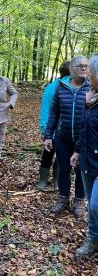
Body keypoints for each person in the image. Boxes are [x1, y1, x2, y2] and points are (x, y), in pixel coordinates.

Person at [44, 55, 89, 217]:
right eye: (80, 66)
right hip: (63, 138)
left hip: (83, 140)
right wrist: (48, 135)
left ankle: (79, 201)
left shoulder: (91, 88)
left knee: (81, 170)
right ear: (71, 69)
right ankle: (63, 199)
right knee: (63, 168)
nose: (84, 68)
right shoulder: (61, 87)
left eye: (86, 66)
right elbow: (54, 113)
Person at [71, 56, 98, 258]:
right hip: (87, 158)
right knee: (91, 204)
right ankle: (93, 239)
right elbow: (84, 129)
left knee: (96, 204)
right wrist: (77, 151)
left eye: (92, 72)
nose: (88, 74)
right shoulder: (90, 97)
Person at [38, 61, 70, 190]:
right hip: (52, 129)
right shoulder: (52, 88)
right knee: (47, 154)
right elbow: (45, 109)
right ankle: (43, 180)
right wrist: (45, 130)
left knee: (62, 156)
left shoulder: (76, 87)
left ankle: (57, 180)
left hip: (67, 130)